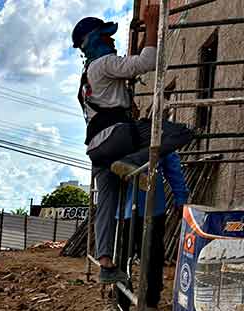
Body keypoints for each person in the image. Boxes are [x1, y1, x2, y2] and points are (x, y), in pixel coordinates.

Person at [72, 6, 193, 284]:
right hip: (119, 139)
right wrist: (152, 26)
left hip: (97, 148)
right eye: (107, 36)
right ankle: (134, 160)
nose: (112, 41)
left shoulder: (87, 77)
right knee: (179, 132)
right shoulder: (105, 64)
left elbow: (131, 65)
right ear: (95, 40)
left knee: (105, 204)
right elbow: (147, 63)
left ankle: (105, 262)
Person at [117, 152, 188, 311]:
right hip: (130, 206)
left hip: (147, 206)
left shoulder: (159, 135)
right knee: (140, 255)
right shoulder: (126, 132)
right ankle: (126, 301)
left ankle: (144, 301)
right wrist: (180, 197)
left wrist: (181, 197)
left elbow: (172, 167)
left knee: (148, 255)